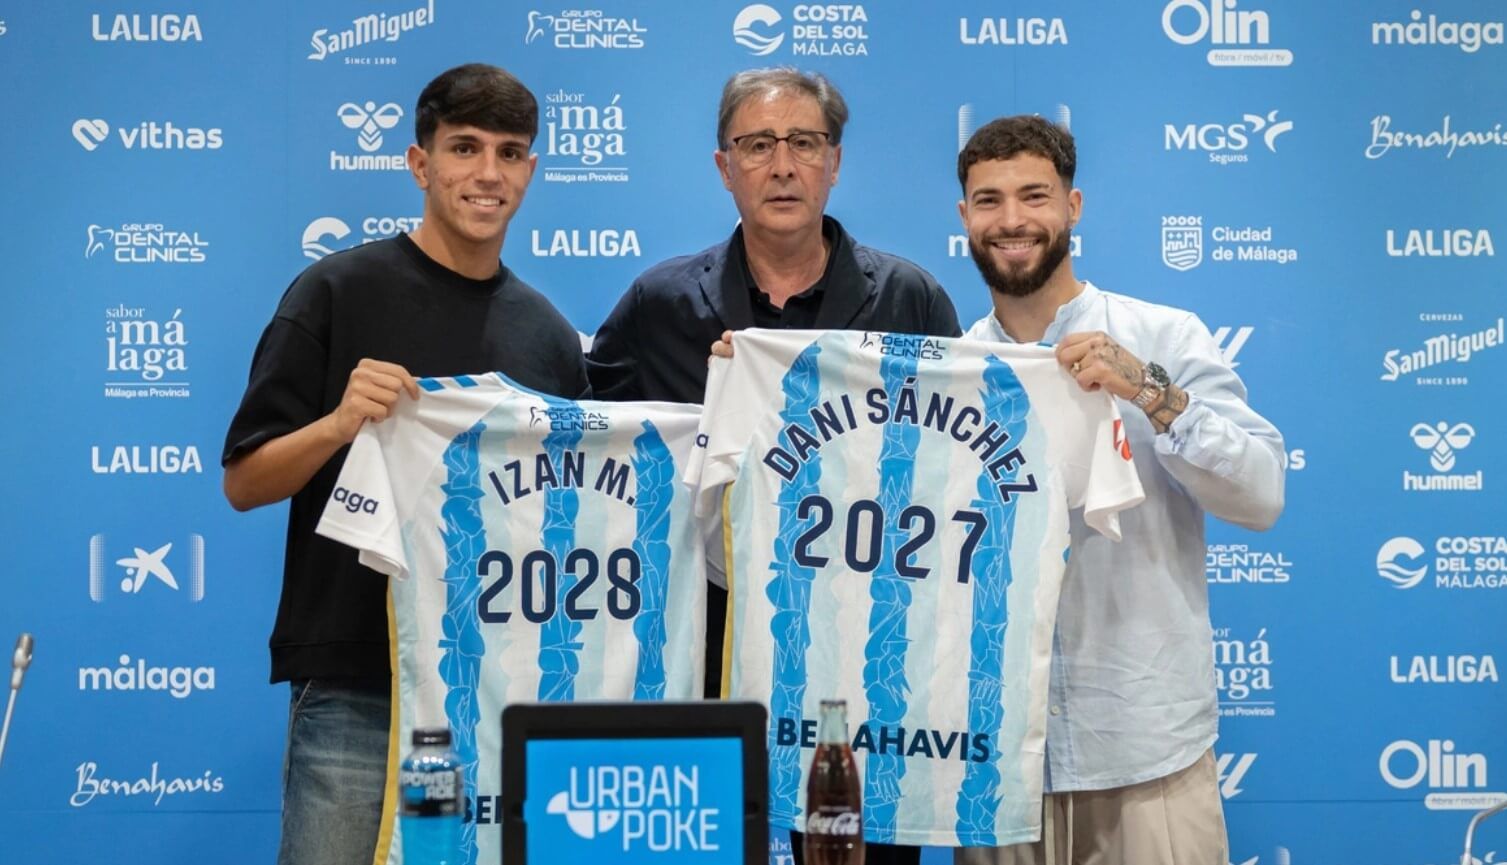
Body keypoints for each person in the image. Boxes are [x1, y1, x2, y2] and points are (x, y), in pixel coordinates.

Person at [587, 67, 960, 865]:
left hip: (866, 675)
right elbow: (588, 454)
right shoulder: (657, 306)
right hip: (705, 659)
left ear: (835, 160)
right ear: (724, 166)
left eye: (803, 142)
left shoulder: (910, 300)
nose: (782, 164)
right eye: (757, 145)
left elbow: (953, 474)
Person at [221, 63, 587, 865]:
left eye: (511, 151)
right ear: (420, 163)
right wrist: (340, 423)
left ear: (531, 169)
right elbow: (244, 482)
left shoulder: (551, 338)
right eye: (464, 148)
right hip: (356, 680)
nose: (487, 173)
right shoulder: (334, 291)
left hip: (496, 687)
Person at [953, 115, 1286, 865]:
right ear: (964, 218)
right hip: (998, 762)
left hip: (1146, 748)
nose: (1011, 220)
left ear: (1072, 206)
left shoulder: (1163, 337)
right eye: (988, 200)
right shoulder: (948, 371)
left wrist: (1152, 394)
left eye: (1033, 196)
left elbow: (1261, 495)